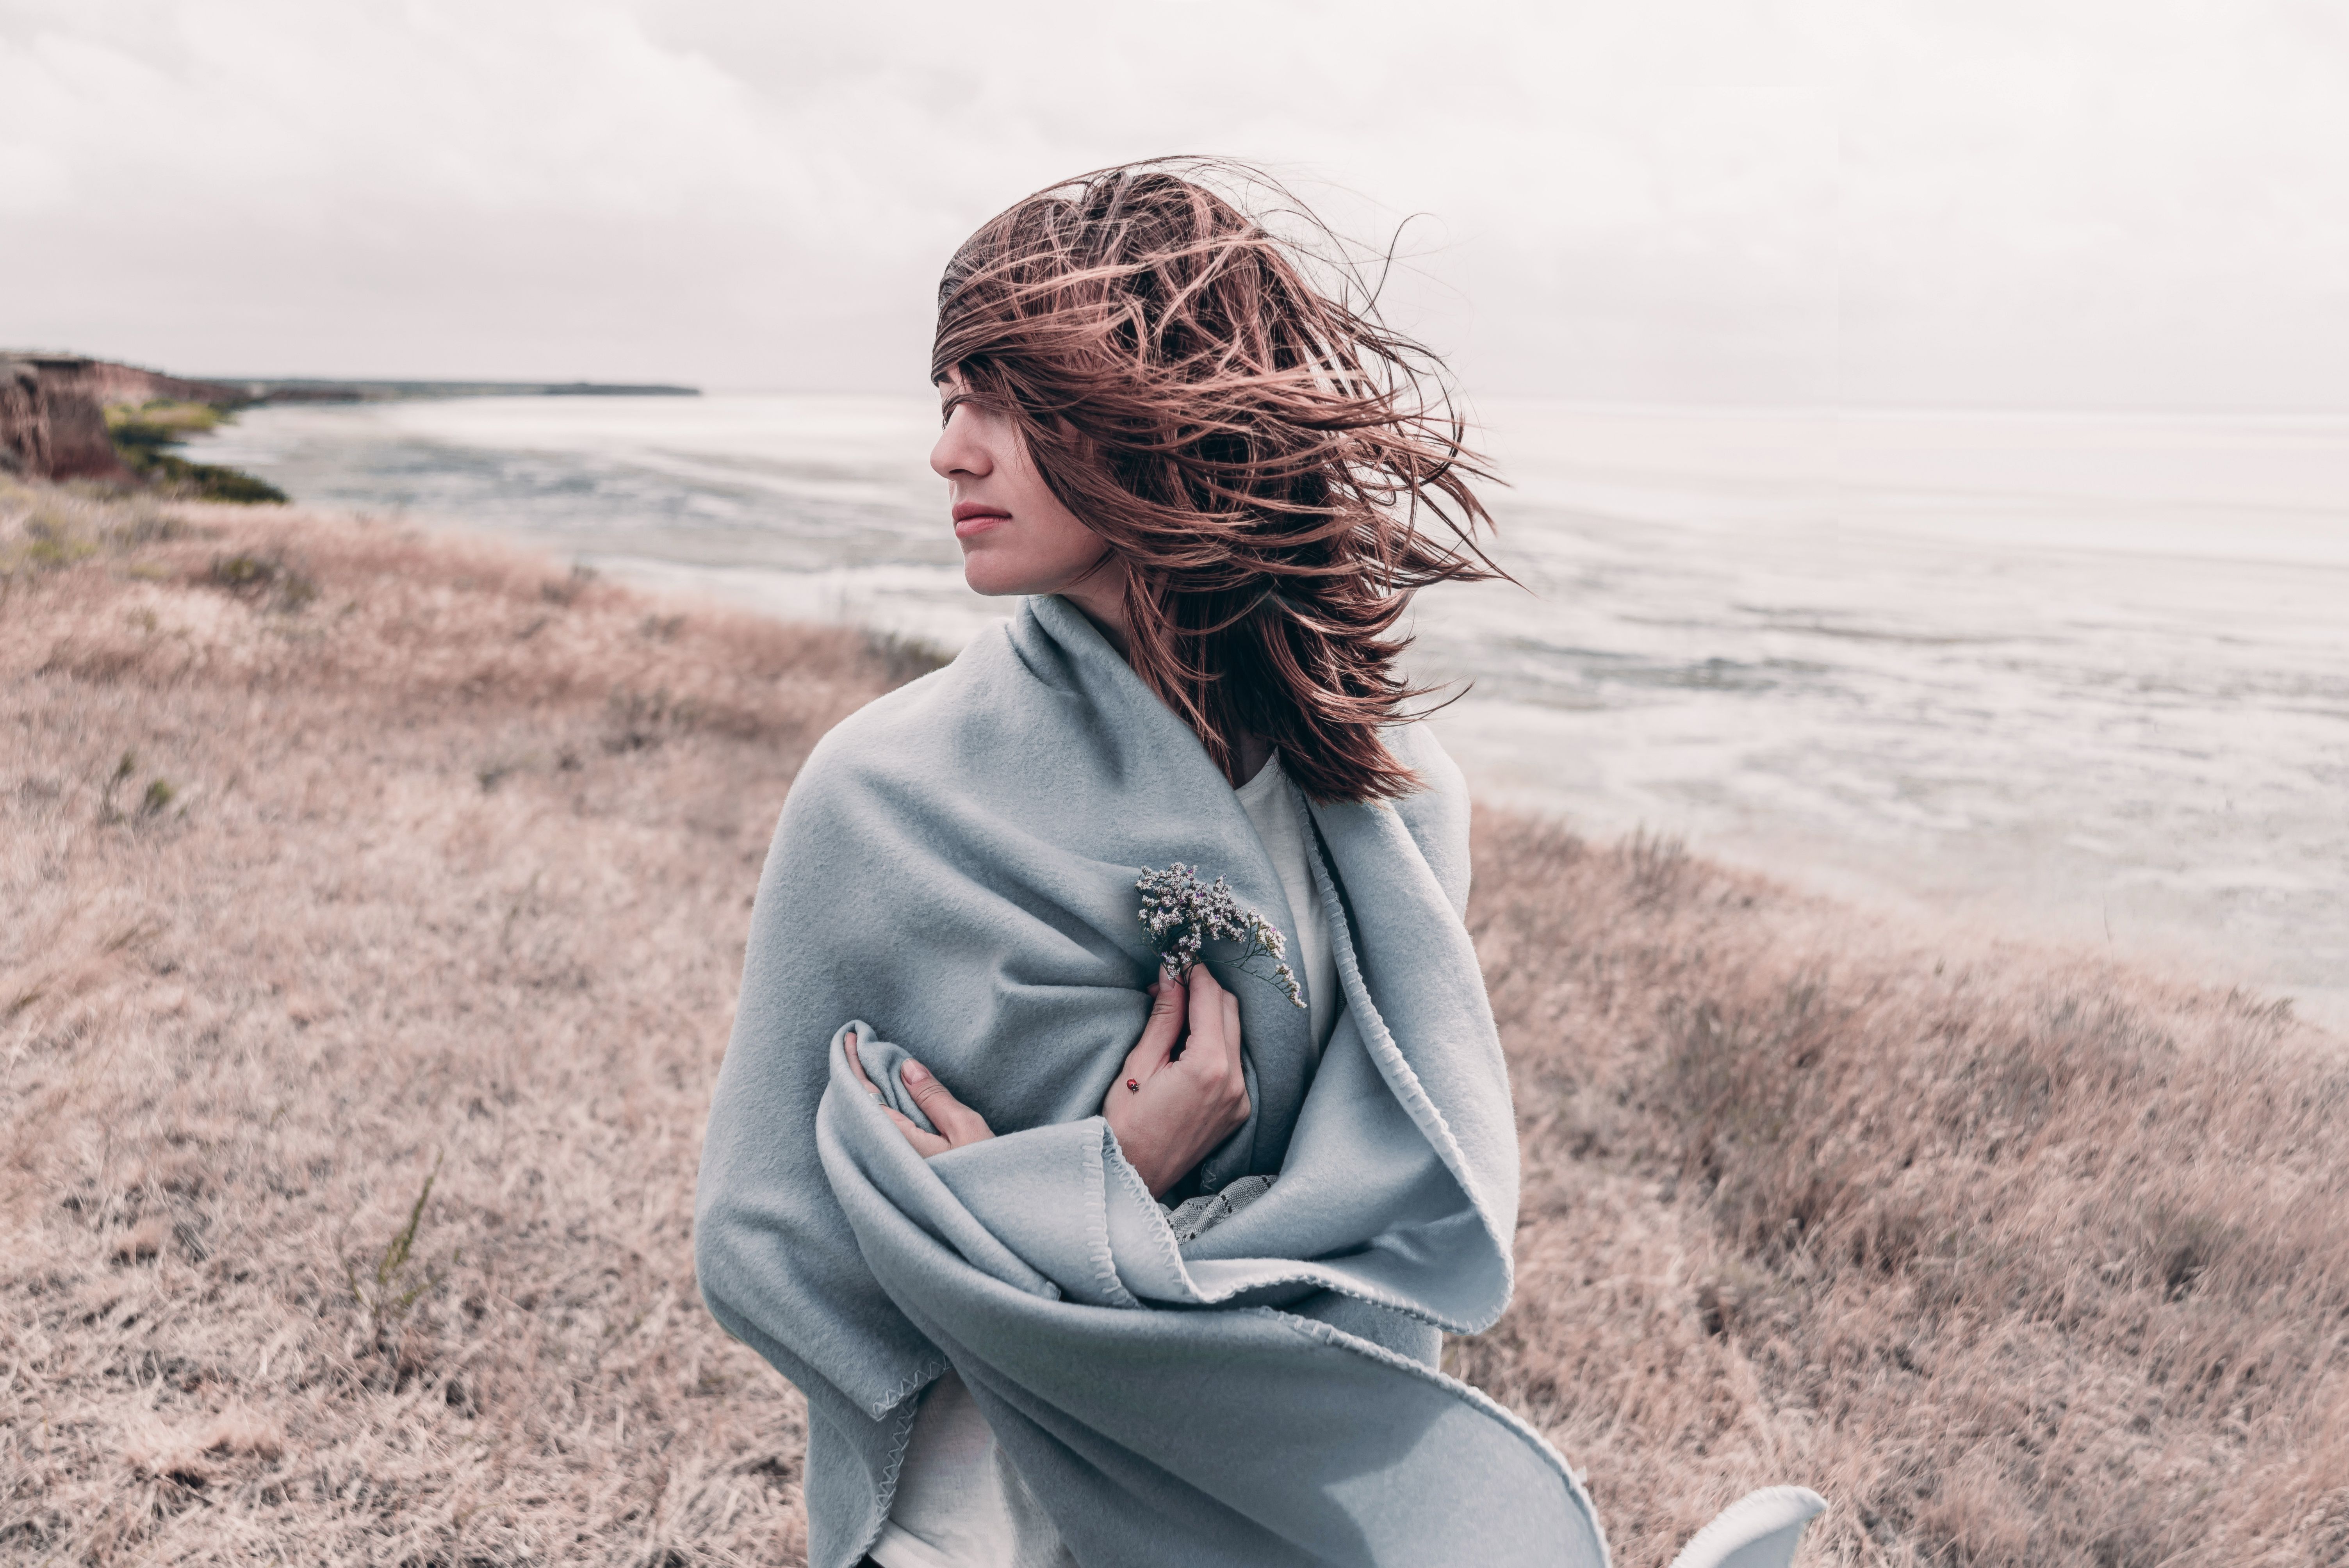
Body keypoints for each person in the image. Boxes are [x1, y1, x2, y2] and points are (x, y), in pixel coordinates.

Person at [695, 160, 1606, 1568]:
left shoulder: (1393, 811)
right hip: (978, 1523)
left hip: (1275, 1516)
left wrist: (1038, 1214)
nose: (950, 450)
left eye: (1006, 396)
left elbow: (1389, 1223)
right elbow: (763, 1241)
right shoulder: (882, 794)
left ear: (1161, 408)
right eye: (949, 398)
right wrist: (1104, 1182)